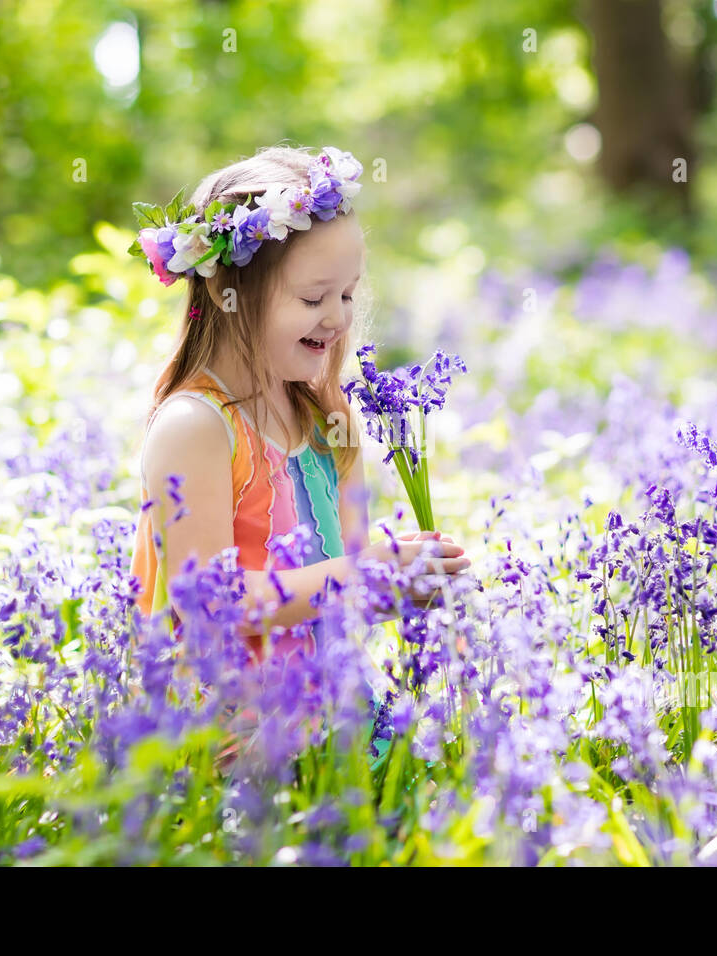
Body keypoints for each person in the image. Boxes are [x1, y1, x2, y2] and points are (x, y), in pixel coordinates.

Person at [126, 145, 469, 763]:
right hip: (233, 736)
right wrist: (365, 574)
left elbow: (341, 589)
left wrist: (405, 580)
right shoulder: (195, 427)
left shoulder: (326, 419)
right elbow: (212, 603)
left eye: (348, 294)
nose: (337, 318)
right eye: (314, 299)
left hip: (336, 712)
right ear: (229, 293)